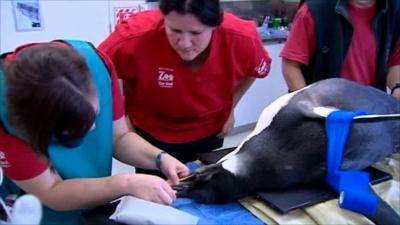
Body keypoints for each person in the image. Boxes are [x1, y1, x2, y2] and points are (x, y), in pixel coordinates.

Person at [0, 40, 190, 224]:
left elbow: (119, 137)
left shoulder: (98, 66)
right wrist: (126, 184)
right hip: (38, 212)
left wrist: (160, 158)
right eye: (73, 130)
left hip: (95, 205)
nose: (92, 129)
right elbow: (51, 191)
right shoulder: (4, 113)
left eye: (95, 117)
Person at [98, 0, 272, 163]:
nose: (185, 44)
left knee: (203, 182)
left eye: (196, 33)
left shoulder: (241, 37)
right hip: (148, 134)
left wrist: (231, 107)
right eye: (174, 31)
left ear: (215, 24)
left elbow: (255, 69)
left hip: (209, 130)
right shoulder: (134, 36)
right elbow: (100, 71)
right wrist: (120, 118)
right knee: (156, 190)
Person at [280, 0, 400, 100]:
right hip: (323, 114)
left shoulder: (395, 11)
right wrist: (309, 106)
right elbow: (290, 66)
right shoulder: (316, 9)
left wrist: (397, 88)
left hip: (371, 114)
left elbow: (395, 63)